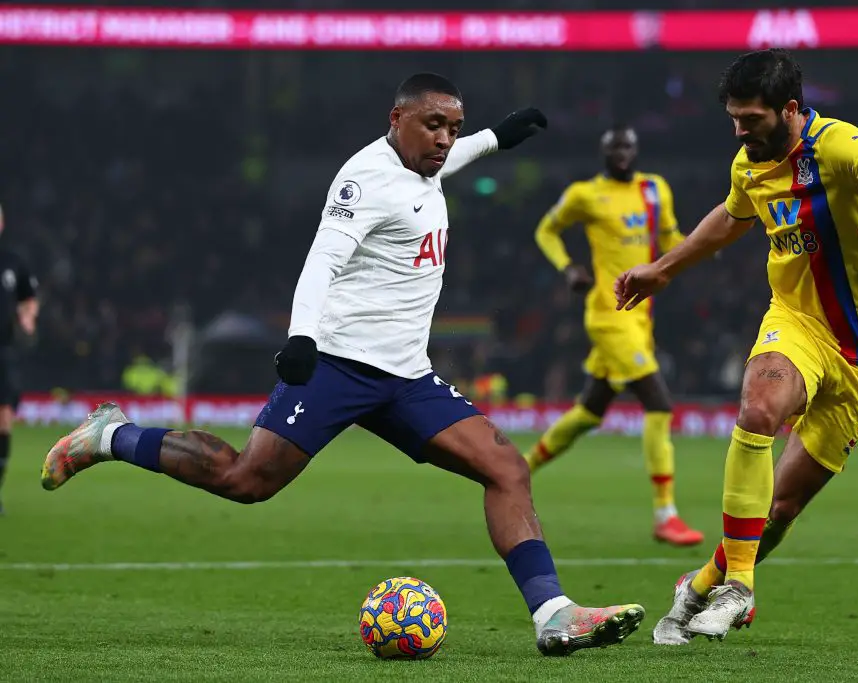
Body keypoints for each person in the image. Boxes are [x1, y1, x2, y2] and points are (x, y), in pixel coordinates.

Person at [41, 73, 645, 656]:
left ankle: (553, 615)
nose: (445, 140)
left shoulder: (425, 166)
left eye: (454, 128)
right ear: (396, 119)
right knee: (245, 481)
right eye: (434, 125)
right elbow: (322, 260)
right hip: (338, 366)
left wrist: (492, 139)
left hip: (406, 375)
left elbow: (446, 162)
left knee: (507, 468)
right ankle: (111, 436)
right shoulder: (364, 178)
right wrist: (301, 337)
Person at [614, 49, 858, 642]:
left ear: (790, 109)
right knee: (759, 408)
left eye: (751, 120)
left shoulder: (839, 146)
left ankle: (697, 590)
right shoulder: (750, 161)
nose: (740, 133)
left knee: (778, 512)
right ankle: (740, 589)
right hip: (797, 319)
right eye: (734, 120)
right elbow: (732, 215)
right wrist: (663, 268)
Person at [527, 124, 703, 546]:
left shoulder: (655, 190)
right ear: (603, 153)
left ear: (636, 149)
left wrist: (706, 241)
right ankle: (666, 514)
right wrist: (569, 268)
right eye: (613, 148)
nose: (621, 153)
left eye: (627, 146)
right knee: (659, 405)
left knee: (589, 411)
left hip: (640, 318)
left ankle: (517, 469)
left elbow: (669, 239)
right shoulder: (585, 195)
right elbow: (545, 230)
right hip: (608, 315)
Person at [0, 204, 39, 516]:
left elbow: (28, 297)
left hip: (3, 352)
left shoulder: (13, 263)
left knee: (3, 421)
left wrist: (28, 317)